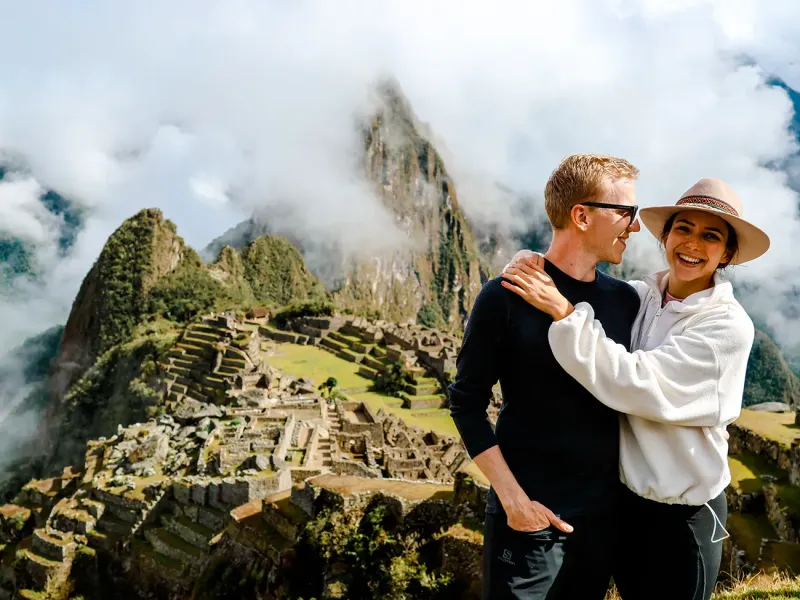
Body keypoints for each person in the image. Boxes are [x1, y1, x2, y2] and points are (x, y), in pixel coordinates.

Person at [501, 177, 769, 600]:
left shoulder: (727, 326)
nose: (693, 244)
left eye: (711, 236)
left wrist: (563, 312)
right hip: (627, 505)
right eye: (683, 229)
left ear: (727, 253)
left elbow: (637, 382)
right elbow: (581, 278)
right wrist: (532, 263)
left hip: (683, 517)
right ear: (666, 235)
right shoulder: (644, 296)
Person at [448, 154, 642, 599]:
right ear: (581, 215)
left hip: (602, 521)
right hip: (530, 520)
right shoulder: (506, 296)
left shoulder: (627, 302)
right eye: (626, 212)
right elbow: (466, 402)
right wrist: (514, 502)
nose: (634, 226)